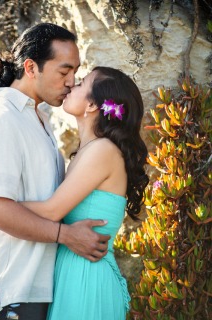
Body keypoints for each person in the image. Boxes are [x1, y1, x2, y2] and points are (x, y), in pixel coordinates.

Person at [0, 23, 112, 320]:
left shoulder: (40, 119)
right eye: (64, 71)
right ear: (31, 67)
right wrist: (66, 235)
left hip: (38, 288)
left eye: (75, 72)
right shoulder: (2, 119)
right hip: (9, 289)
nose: (72, 81)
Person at [21, 66, 149, 319]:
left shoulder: (103, 150)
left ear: (92, 106)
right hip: (73, 273)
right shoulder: (87, 151)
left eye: (80, 84)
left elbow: (51, 211)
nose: (71, 85)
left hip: (86, 279)